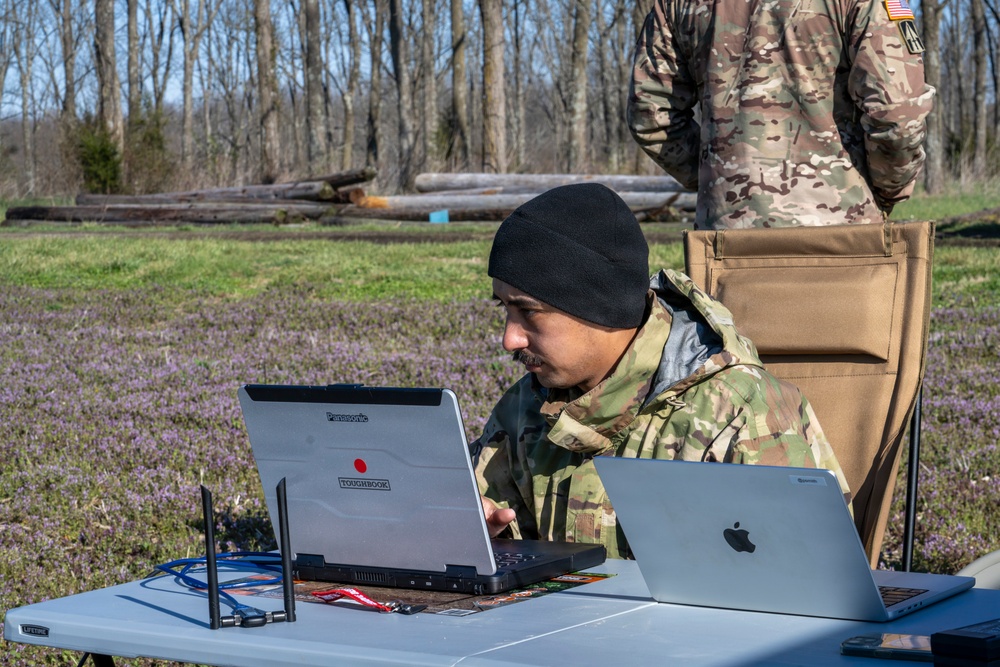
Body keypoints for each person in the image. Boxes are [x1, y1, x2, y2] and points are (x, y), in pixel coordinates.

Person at [472, 183, 851, 559]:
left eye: (529, 312)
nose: (510, 339)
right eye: (504, 309)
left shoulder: (739, 415)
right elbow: (489, 522)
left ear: (599, 306)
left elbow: (815, 579)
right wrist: (482, 535)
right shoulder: (527, 406)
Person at [626, 0, 935, 229]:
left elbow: (650, 114)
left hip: (727, 235)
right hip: (841, 229)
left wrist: (725, 181)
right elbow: (898, 117)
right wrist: (885, 192)